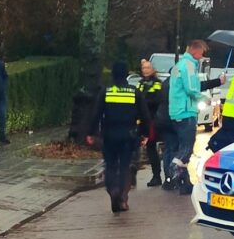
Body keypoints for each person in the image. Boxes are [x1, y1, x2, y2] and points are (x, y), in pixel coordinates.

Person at [87, 62, 152, 212]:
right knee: (125, 165)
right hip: (128, 135)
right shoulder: (134, 91)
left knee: (110, 165)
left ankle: (113, 190)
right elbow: (145, 115)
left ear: (113, 75)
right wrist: (146, 134)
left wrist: (91, 133)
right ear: (126, 75)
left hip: (109, 135)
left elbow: (96, 113)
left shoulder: (106, 91)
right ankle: (122, 196)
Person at [166, 40, 222, 195]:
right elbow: (192, 89)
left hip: (177, 111)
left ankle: (185, 183)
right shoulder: (189, 66)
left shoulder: (179, 65)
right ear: (194, 50)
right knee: (187, 147)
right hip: (186, 111)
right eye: (201, 52)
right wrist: (204, 99)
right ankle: (174, 168)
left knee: (183, 145)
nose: (202, 55)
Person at [136, 59, 174, 187]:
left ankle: (164, 175)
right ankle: (155, 176)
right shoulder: (140, 83)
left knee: (159, 147)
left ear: (153, 70)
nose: (145, 70)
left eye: (148, 68)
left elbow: (157, 100)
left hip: (154, 119)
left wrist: (143, 102)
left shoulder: (158, 83)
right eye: (144, 68)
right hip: (143, 120)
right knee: (149, 148)